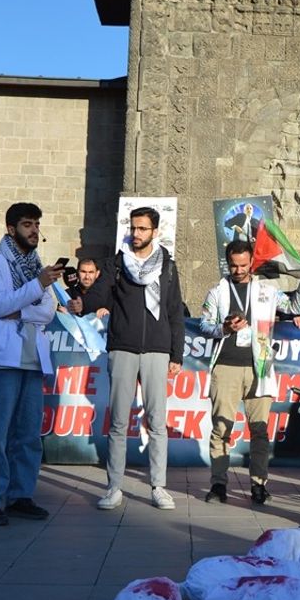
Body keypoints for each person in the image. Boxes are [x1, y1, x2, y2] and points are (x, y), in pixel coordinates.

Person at [71, 206, 186, 511]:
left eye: (142, 229)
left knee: (157, 422)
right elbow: (97, 295)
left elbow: (175, 312)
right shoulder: (117, 263)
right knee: (119, 421)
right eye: (133, 228)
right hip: (122, 347)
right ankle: (114, 487)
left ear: (155, 232)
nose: (136, 234)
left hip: (157, 350)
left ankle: (159, 486)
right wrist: (81, 303)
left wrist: (177, 353)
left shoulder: (168, 267)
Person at [0, 202, 62, 526]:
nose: (34, 230)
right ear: (11, 229)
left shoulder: (35, 264)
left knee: (27, 434)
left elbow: (47, 312)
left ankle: (21, 495)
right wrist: (35, 287)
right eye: (27, 224)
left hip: (32, 357)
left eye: (36, 223)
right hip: (2, 358)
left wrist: (20, 309)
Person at [201, 240, 300, 504]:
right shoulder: (218, 291)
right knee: (221, 429)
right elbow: (204, 325)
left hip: (259, 367)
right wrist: (225, 329)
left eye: (243, 265)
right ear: (227, 262)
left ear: (251, 263)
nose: (238, 270)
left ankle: (259, 485)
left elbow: (294, 307)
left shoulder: (267, 291)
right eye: (233, 265)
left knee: (259, 429)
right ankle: (218, 485)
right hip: (226, 367)